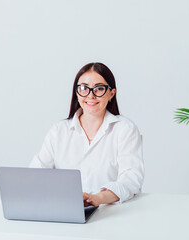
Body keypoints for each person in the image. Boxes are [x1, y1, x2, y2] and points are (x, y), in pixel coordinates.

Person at [29, 62, 144, 207]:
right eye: (83, 88)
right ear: (77, 92)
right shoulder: (59, 130)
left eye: (99, 89)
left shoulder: (125, 129)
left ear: (111, 94)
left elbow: (131, 181)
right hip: (64, 209)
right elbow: (35, 174)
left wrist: (97, 198)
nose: (91, 95)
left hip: (110, 212)